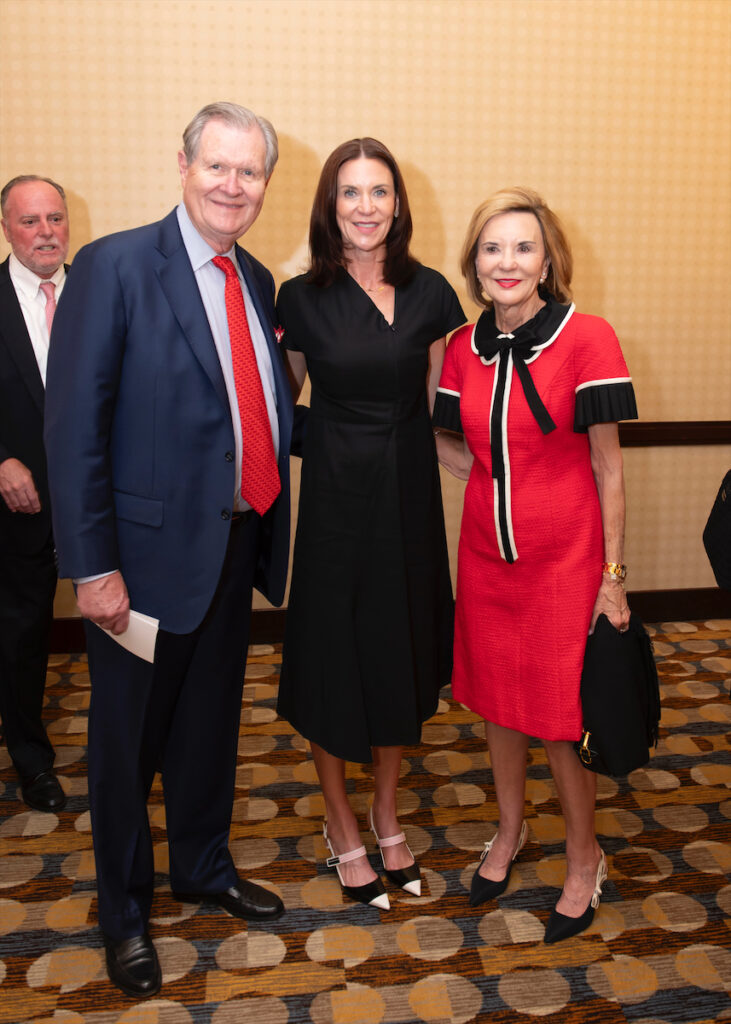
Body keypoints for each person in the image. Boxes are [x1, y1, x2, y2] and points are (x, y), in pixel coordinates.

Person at [44, 102, 295, 998]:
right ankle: (121, 912)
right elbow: (72, 432)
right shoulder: (113, 268)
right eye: (217, 167)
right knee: (124, 746)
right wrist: (92, 567)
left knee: (207, 732)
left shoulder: (255, 279)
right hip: (138, 568)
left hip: (231, 548)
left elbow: (251, 407)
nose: (234, 186)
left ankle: (202, 864)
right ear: (182, 165)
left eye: (250, 172)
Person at [434, 187, 637, 943]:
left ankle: (584, 855)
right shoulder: (462, 346)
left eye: (522, 247)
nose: (506, 261)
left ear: (547, 260)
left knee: (559, 720)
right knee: (496, 707)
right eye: (492, 248)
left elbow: (608, 470)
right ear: (475, 264)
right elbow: (453, 444)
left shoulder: (588, 339)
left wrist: (611, 577)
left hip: (566, 560)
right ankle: (510, 829)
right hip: (487, 558)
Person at [277, 138, 465, 910]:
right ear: (329, 205)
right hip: (331, 498)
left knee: (398, 654)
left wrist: (498, 468)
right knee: (331, 657)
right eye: (349, 192)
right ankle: (339, 818)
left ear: (398, 203)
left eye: (378, 191)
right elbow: (279, 405)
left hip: (407, 500)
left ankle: (386, 811)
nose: (364, 207)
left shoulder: (431, 293)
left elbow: (437, 408)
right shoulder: (298, 296)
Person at [0, 175, 69, 814]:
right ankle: (30, 757)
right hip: (20, 505)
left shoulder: (103, 293)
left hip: (103, 498)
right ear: (7, 228)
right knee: (22, 632)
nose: (45, 232)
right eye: (30, 221)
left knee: (124, 624)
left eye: (54, 218)